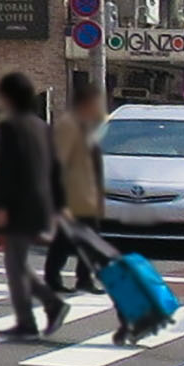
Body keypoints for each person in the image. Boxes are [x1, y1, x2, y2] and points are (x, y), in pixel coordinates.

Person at [0, 72, 65, 338]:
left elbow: (7, 169)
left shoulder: (11, 127)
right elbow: (54, 167)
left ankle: (32, 317)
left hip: (17, 202)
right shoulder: (40, 126)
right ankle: (46, 306)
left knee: (14, 263)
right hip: (40, 200)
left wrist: (0, 204)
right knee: (17, 261)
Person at [44, 75, 108, 296]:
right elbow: (58, 167)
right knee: (64, 241)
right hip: (72, 196)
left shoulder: (87, 129)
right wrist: (60, 202)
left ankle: (83, 278)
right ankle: (54, 278)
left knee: (86, 239)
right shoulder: (68, 128)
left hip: (86, 195)